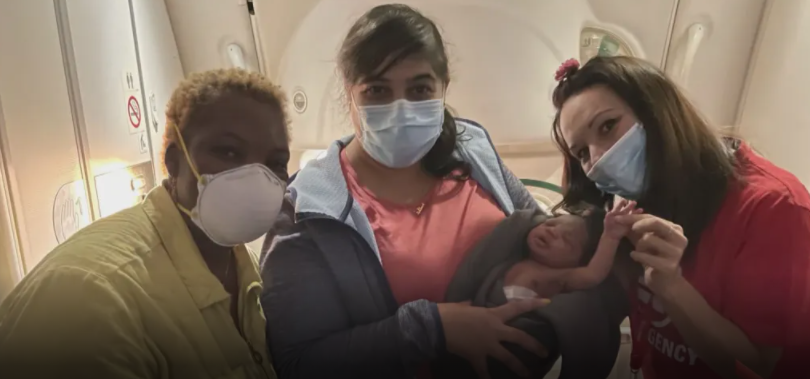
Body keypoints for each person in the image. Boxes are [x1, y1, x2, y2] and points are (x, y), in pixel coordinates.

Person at [260, 4, 627, 379]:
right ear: (349, 94)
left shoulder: (473, 149)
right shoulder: (308, 213)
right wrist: (434, 329)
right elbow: (298, 363)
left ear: (443, 87)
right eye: (377, 90)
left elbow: (537, 232)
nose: (400, 108)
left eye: (419, 88)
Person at [0, 68, 287, 379]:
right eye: (228, 151)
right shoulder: (91, 299)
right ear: (174, 163)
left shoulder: (246, 270)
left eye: (275, 163)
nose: (255, 177)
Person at [550, 55, 810, 379]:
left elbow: (757, 364)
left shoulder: (775, 207)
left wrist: (672, 287)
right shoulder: (637, 193)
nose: (598, 160)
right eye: (582, 154)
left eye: (607, 126)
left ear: (657, 111)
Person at [504, 200, 641, 299]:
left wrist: (611, 237)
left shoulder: (558, 276)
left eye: (566, 239)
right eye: (550, 224)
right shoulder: (514, 252)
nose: (553, 232)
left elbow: (593, 274)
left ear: (577, 262)